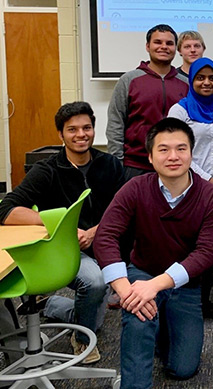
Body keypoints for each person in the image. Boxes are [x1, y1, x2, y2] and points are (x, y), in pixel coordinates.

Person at [94, 118, 213, 388]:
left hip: (185, 283)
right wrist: (125, 290)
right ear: (151, 157)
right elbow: (105, 236)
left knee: (182, 368)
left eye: (181, 148)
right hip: (142, 271)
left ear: (192, 152)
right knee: (138, 317)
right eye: (164, 149)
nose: (173, 156)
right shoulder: (135, 188)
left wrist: (155, 286)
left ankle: (163, 326)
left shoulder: (211, 197)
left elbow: (205, 253)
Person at [0, 101, 125, 364]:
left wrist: (94, 231)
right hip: (63, 250)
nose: (81, 134)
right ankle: (81, 340)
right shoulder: (47, 170)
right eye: (72, 129)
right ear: (61, 135)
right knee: (95, 284)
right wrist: (61, 227)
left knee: (94, 309)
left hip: (106, 246)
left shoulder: (111, 165)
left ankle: (56, 306)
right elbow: (6, 210)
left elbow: (125, 210)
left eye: (87, 128)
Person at [168, 57, 213, 317]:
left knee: (212, 246)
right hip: (191, 187)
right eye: (201, 78)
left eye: (212, 78)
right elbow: (177, 151)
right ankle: (182, 303)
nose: (206, 82)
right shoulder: (179, 111)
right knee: (189, 246)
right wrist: (207, 178)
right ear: (192, 80)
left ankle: (204, 302)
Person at [106, 24, 188, 180]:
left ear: (175, 49)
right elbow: (116, 123)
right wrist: (118, 164)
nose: (164, 47)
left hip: (175, 166)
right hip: (135, 166)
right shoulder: (129, 80)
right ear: (147, 46)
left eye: (169, 43)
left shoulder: (186, 84)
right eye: (158, 42)